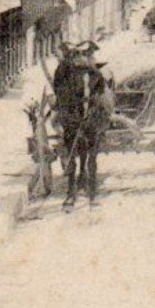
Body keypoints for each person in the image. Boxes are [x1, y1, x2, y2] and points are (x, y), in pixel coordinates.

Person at [52, 41, 113, 209]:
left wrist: (95, 103)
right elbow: (57, 88)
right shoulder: (64, 70)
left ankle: (92, 193)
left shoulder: (94, 73)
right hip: (72, 111)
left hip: (93, 113)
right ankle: (71, 193)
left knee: (92, 157)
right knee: (72, 156)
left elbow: (100, 88)